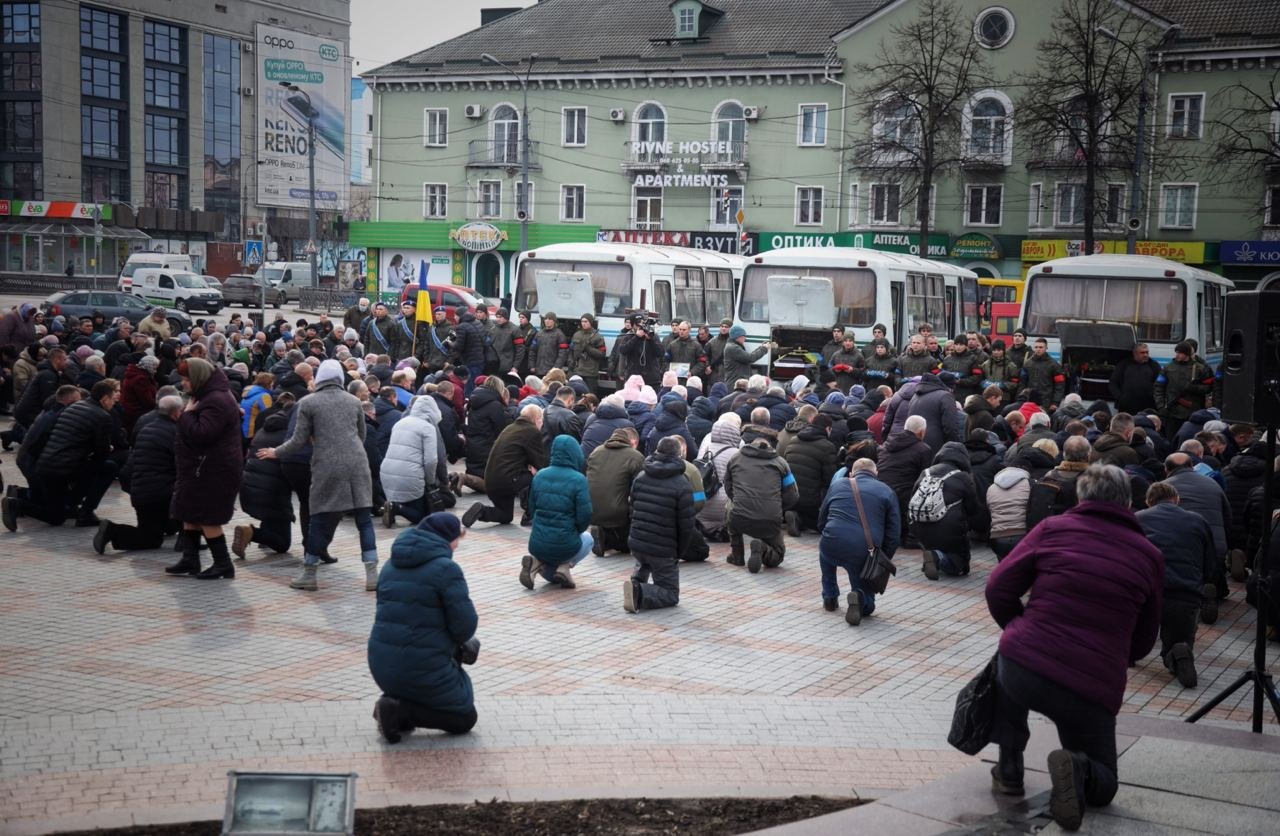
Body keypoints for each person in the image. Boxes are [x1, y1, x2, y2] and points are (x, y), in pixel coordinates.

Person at [985, 465, 1162, 831]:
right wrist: (1114, 658)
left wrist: (1018, 628)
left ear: (1081, 497)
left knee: (1007, 659)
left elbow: (998, 588)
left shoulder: (1053, 529)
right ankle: (1077, 767)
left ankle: (1010, 769)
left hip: (1026, 666)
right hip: (1091, 685)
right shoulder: (1148, 555)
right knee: (1104, 783)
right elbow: (1145, 638)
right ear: (1128, 502)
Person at [258, 359, 379, 592]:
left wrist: (276, 451)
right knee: (364, 520)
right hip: (357, 463)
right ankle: (372, 575)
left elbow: (298, 439)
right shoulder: (354, 401)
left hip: (326, 465)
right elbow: (362, 435)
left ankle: (309, 574)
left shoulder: (308, 403)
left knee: (319, 519)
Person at [369, 513, 479, 741]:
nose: (457, 545)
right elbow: (465, 627)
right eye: (457, 539)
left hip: (382, 665)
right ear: (447, 538)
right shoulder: (447, 570)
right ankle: (399, 711)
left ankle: (393, 706)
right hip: (420, 666)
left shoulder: (390, 566)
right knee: (465, 718)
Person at [3, 380, 121, 531]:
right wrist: (104, 450)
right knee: (108, 467)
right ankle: (85, 512)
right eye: (113, 398)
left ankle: (17, 503)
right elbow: (101, 454)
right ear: (104, 398)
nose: (114, 402)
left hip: (46, 466)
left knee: (56, 515)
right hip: (64, 469)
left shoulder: (75, 407)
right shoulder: (103, 417)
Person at [165, 359, 243, 579]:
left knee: (208, 517)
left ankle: (223, 564)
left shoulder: (215, 399)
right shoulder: (207, 395)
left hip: (212, 469)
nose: (183, 383)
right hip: (199, 466)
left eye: (186, 379)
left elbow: (202, 432)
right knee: (189, 512)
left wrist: (185, 415)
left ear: (198, 378)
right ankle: (190, 559)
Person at [1136, 482, 1216, 689]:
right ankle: (1178, 652)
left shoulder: (1139, 519)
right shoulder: (1198, 521)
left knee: (1135, 629)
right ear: (1177, 499)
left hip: (1148, 591)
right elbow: (1209, 562)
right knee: (1179, 637)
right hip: (1186, 591)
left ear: (1148, 501)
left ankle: (1131, 653)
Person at [94, 394, 182, 554]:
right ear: (175, 413)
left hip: (141, 491)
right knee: (189, 504)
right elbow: (182, 465)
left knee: (149, 537)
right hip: (162, 494)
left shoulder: (146, 428)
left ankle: (112, 530)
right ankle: (188, 541)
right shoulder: (176, 433)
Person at [817, 458, 900, 624]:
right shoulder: (886, 491)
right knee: (868, 606)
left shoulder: (837, 485)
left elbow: (821, 520)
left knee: (825, 554)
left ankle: (830, 596)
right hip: (862, 550)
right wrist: (880, 558)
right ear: (877, 474)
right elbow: (894, 532)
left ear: (851, 473)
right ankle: (860, 597)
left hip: (831, 542)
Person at [623, 435, 697, 612]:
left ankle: (637, 580)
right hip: (663, 548)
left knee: (644, 560)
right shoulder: (682, 484)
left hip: (638, 541)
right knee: (670, 594)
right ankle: (639, 591)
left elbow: (632, 510)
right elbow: (687, 526)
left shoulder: (641, 477)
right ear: (679, 455)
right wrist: (679, 552)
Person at [1163, 452, 1230, 621]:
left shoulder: (1164, 487)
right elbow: (1228, 517)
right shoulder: (1212, 484)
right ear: (1192, 467)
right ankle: (1211, 586)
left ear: (1166, 469)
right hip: (1215, 546)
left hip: (1180, 548)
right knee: (1209, 568)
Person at [522, 435, 593, 589]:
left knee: (550, 574)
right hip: (566, 544)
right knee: (588, 539)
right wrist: (577, 530)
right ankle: (565, 567)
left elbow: (532, 509)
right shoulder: (579, 479)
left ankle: (535, 563)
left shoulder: (540, 475)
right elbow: (585, 515)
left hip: (537, 543)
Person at [911, 441, 988, 579]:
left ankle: (931, 556)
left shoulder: (926, 473)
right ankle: (938, 558)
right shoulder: (963, 477)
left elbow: (913, 498)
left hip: (919, 525)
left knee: (934, 538)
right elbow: (973, 509)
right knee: (960, 567)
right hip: (948, 528)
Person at [463, 404, 548, 527]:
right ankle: (529, 516)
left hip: (492, 480)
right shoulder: (532, 431)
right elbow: (540, 463)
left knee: (505, 515)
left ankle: (482, 511)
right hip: (508, 479)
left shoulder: (510, 428)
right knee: (538, 478)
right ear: (537, 419)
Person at [723, 436, 799, 573]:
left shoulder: (735, 458)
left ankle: (737, 555)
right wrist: (779, 508)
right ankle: (763, 548)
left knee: (730, 505)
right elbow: (793, 494)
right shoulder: (781, 463)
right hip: (770, 518)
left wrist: (738, 500)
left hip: (740, 518)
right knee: (777, 557)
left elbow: (727, 486)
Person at [231, 408, 296, 558]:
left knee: (272, 518)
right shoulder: (288, 436)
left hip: (250, 487)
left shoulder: (262, 431)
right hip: (272, 493)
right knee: (282, 544)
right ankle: (251, 533)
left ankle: (264, 535)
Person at [381, 394, 444, 526]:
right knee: (424, 517)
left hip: (388, 473)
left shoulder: (399, 423)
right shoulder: (427, 428)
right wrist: (430, 482)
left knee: (416, 505)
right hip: (410, 476)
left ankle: (393, 506)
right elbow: (431, 460)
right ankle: (396, 508)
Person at [587, 426, 645, 556]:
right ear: (634, 442)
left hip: (591, 509)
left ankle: (602, 533)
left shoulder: (596, 451)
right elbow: (642, 488)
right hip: (618, 512)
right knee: (626, 545)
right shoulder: (635, 456)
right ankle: (609, 540)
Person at [782, 413, 838, 536]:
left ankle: (793, 515)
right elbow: (830, 480)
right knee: (822, 526)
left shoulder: (793, 440)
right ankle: (800, 519)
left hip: (789, 495)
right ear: (828, 429)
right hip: (811, 501)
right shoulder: (828, 447)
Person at [459, 375, 510, 494]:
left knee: (479, 476)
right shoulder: (495, 405)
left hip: (473, 444)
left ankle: (463, 478)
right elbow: (500, 428)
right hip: (488, 446)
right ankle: (464, 478)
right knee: (491, 486)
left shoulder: (473, 402)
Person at [1155, 342, 1214, 442]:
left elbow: (1209, 387)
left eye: (1180, 353)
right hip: (1172, 413)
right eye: (1176, 352)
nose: (1177, 355)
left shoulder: (1200, 369)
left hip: (1193, 413)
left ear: (1186, 354)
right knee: (1171, 441)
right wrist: (1161, 406)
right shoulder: (1168, 368)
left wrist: (1194, 388)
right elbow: (1158, 387)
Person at [1109, 343, 1161, 415]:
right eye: (1142, 353)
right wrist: (1119, 397)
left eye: (1147, 352)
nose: (1145, 355)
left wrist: (1156, 399)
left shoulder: (1154, 365)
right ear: (1135, 353)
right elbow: (1113, 382)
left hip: (1148, 406)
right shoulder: (1124, 364)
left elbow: (1160, 384)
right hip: (1126, 406)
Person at [568, 313, 607, 393]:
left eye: (586, 321)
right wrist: (570, 363)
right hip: (577, 371)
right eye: (582, 321)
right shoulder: (577, 335)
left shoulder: (598, 337)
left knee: (589, 395)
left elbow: (602, 354)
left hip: (590, 373)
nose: (583, 324)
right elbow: (571, 351)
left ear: (590, 322)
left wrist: (588, 348)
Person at [528, 312, 569, 377]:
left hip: (552, 372)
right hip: (538, 370)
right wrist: (532, 365)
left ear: (554, 321)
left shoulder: (560, 334)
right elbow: (532, 350)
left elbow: (563, 353)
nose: (547, 320)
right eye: (546, 319)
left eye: (550, 319)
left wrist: (556, 368)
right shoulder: (539, 334)